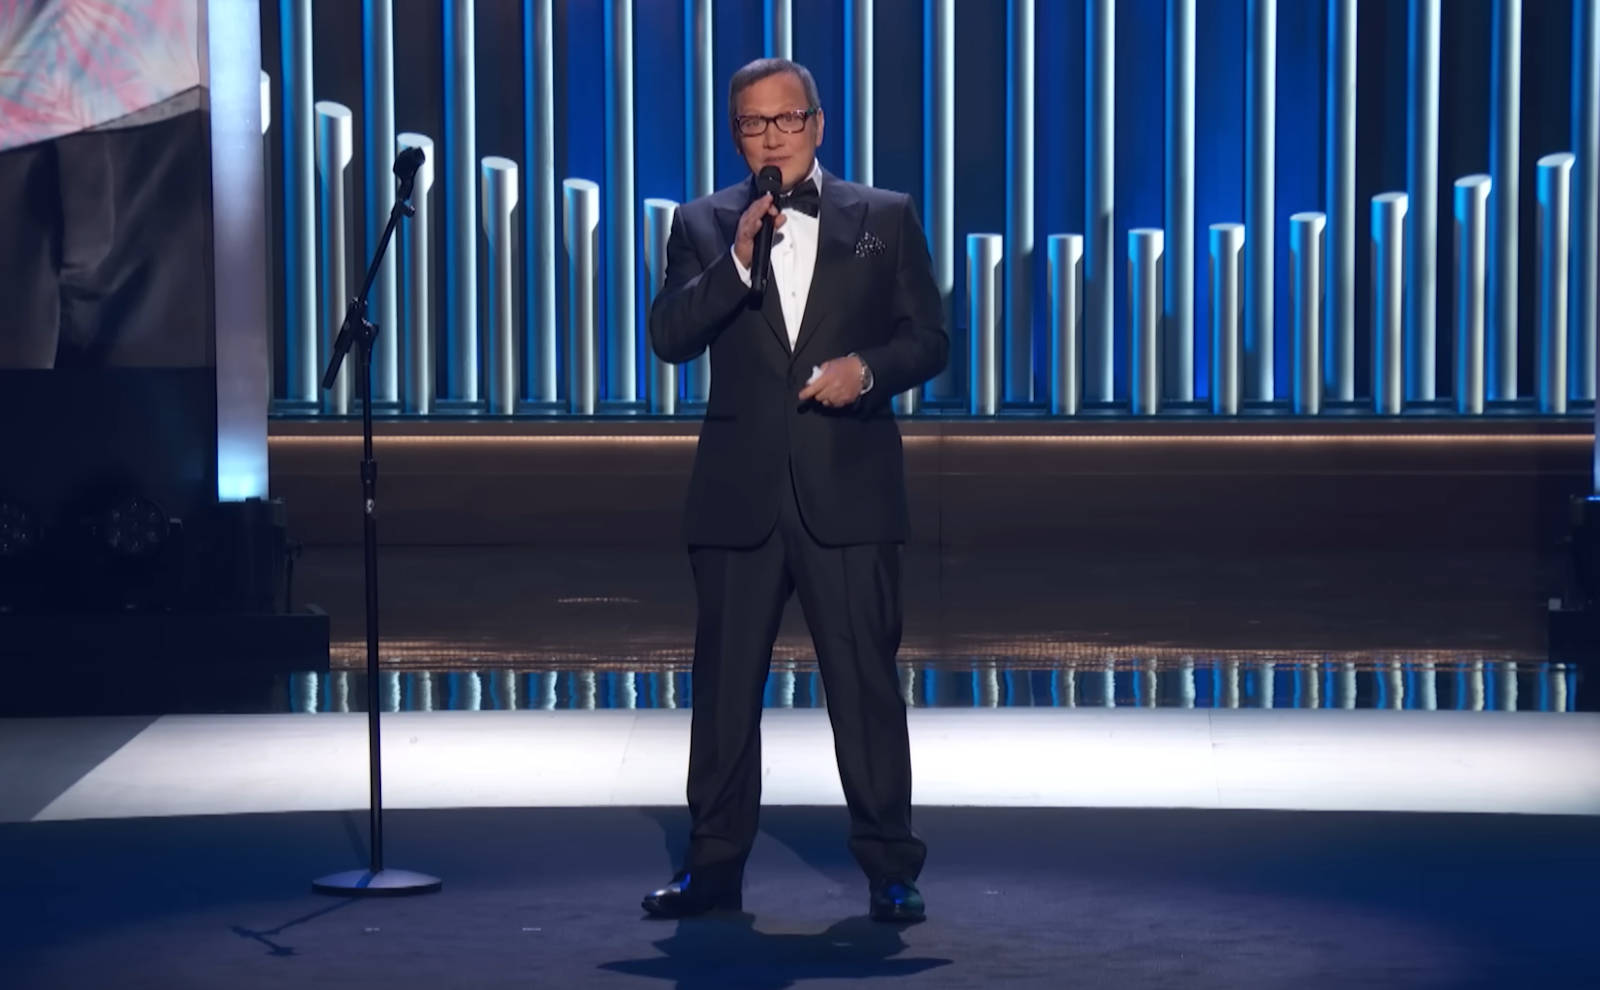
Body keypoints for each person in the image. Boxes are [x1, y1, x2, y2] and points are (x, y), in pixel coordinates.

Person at [645, 58, 949, 923]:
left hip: (848, 489)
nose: (771, 137)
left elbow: (930, 339)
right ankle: (712, 869)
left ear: (818, 124)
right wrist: (736, 267)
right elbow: (668, 336)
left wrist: (869, 370)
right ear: (734, 134)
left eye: (787, 121)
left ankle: (891, 867)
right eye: (753, 124)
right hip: (738, 496)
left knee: (864, 687)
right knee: (725, 692)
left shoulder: (883, 217)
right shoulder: (703, 225)